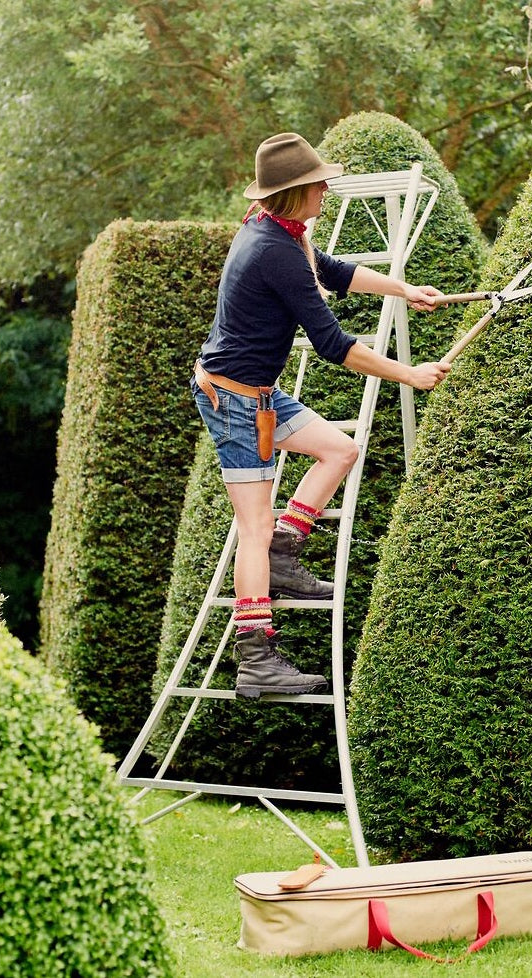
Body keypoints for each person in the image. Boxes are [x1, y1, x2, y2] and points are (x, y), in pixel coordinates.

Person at [192, 132, 451, 699]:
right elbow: (333, 343)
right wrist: (409, 374)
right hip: (236, 402)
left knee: (341, 448)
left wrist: (403, 289)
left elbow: (334, 272)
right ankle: (255, 658)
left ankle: (287, 552)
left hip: (255, 393)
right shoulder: (272, 250)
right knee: (252, 530)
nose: (327, 189)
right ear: (296, 191)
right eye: (319, 183)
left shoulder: (282, 233)